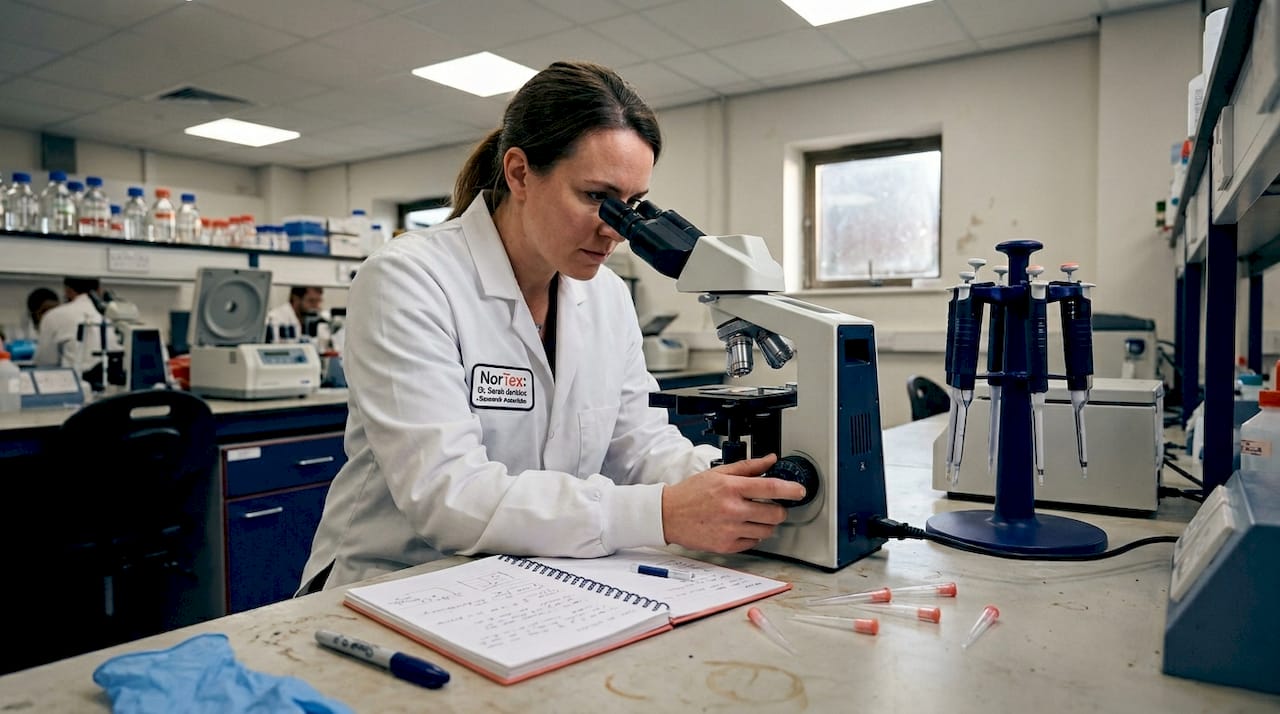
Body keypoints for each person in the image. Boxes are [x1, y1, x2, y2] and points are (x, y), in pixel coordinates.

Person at [298, 60, 803, 593]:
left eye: (631, 206)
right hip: (396, 580)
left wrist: (731, 483)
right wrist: (662, 513)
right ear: (519, 173)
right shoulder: (409, 277)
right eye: (594, 197)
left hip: (535, 580)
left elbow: (638, 447)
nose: (616, 230)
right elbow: (450, 496)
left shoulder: (606, 294)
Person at [32, 277, 121, 378]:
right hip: (111, 386)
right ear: (99, 290)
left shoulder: (54, 316)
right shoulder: (109, 317)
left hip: (73, 385)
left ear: (67, 290)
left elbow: (45, 363)